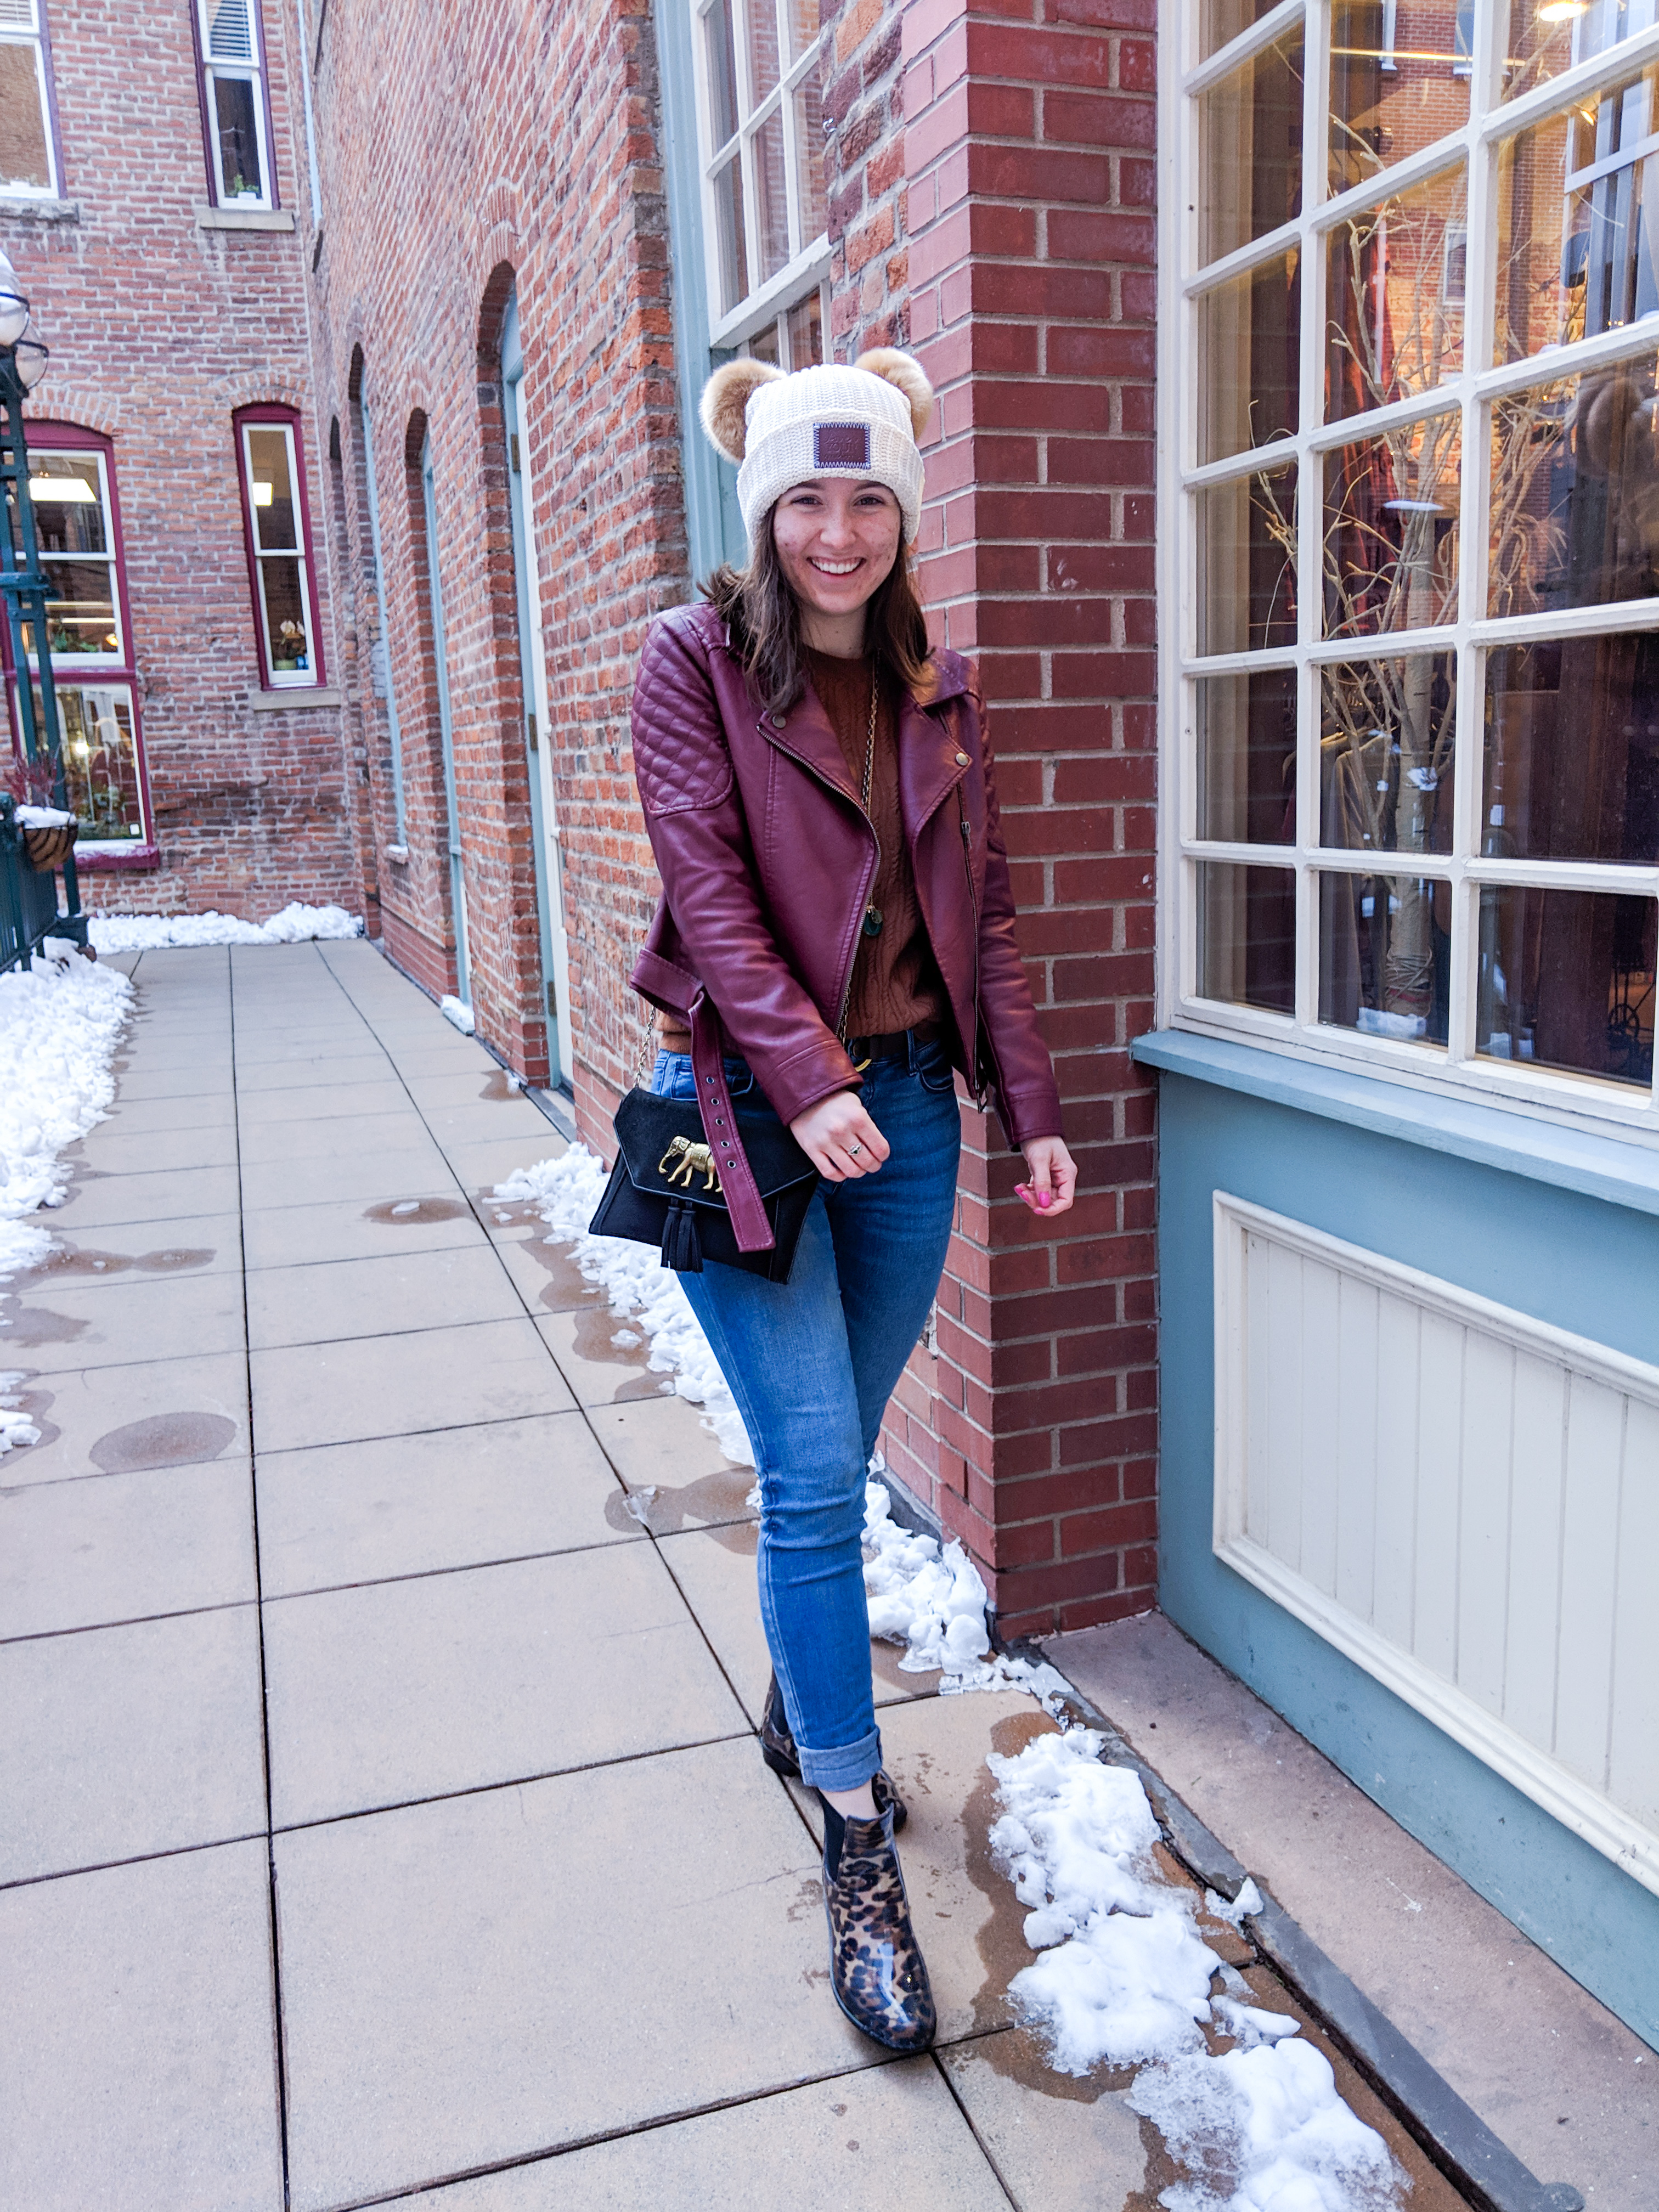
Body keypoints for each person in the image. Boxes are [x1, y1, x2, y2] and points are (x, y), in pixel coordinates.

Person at [627, 348, 1076, 2052]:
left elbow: (997, 926)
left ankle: (798, 1683)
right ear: (762, 508)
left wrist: (1021, 1106)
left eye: (867, 498)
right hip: (743, 1116)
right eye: (804, 500)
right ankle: (852, 1823)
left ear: (903, 511)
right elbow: (711, 894)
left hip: (910, 1119)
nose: (836, 532)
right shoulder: (694, 665)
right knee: (815, 1476)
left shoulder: (944, 692)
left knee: (845, 1447)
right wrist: (805, 1084)